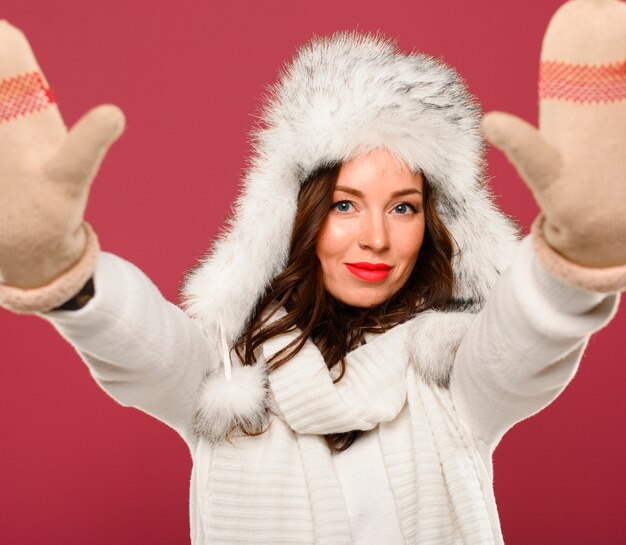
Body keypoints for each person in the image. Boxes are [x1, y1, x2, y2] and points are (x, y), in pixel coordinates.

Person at [1, 1, 625, 543]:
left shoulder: (453, 375)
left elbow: (528, 333)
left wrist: (577, 263)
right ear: (295, 217)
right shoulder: (225, 378)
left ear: (434, 226)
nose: (375, 238)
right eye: (344, 204)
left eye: (403, 207)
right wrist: (64, 271)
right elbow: (138, 340)